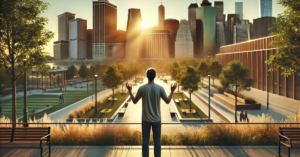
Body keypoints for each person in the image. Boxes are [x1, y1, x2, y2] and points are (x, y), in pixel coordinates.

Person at [126, 68, 177, 157]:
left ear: (147, 76)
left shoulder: (142, 88)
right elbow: (168, 101)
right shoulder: (160, 88)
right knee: (157, 142)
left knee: (145, 141)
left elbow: (134, 101)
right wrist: (172, 91)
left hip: (145, 120)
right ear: (155, 76)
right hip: (157, 120)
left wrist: (130, 91)